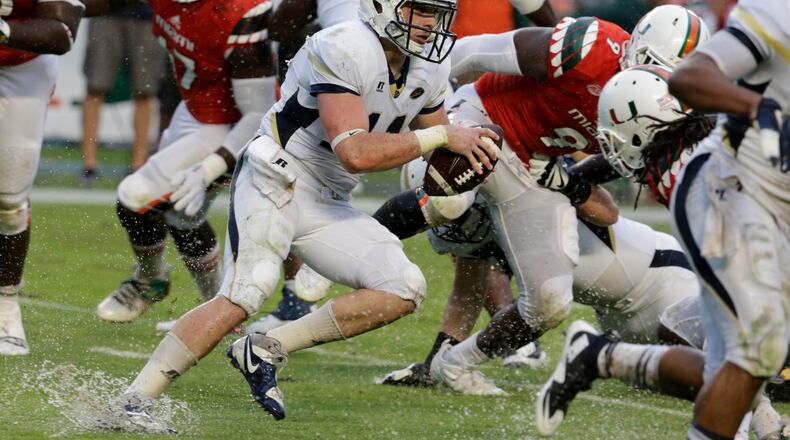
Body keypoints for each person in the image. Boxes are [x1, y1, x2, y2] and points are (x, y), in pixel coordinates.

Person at [108, 0, 499, 432]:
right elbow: (354, 152)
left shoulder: (430, 65)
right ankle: (131, 401)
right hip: (275, 177)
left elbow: (437, 147)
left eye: (435, 13)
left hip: (329, 198)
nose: (429, 24)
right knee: (247, 291)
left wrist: (471, 154)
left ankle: (265, 347)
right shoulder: (346, 45)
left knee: (403, 287)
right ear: (384, 6)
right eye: (418, 11)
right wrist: (443, 135)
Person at [535, 65, 788, 440]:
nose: (612, 147)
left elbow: (622, 155)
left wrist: (570, 178)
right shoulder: (695, 156)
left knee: (730, 354)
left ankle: (600, 356)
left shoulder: (678, 156)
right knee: (740, 358)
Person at [91, 0, 279, 324]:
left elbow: (258, 114)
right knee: (183, 217)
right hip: (193, 108)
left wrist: (211, 167)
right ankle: (219, 312)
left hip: (233, 124)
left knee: (135, 197)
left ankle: (152, 281)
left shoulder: (240, 12)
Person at [667, 1, 790, 438]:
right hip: (732, 188)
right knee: (758, 348)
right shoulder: (781, 17)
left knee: (739, 358)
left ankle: (600, 358)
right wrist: (761, 107)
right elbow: (689, 78)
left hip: (779, 206)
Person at [0, 0, 85, 355]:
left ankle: (5, 308)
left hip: (23, 64)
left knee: (9, 199)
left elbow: (62, 32)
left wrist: (3, 29)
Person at [79, 4, 166, 185]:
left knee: (146, 91)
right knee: (95, 86)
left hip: (148, 13)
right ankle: (89, 166)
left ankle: (138, 165)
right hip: (104, 9)